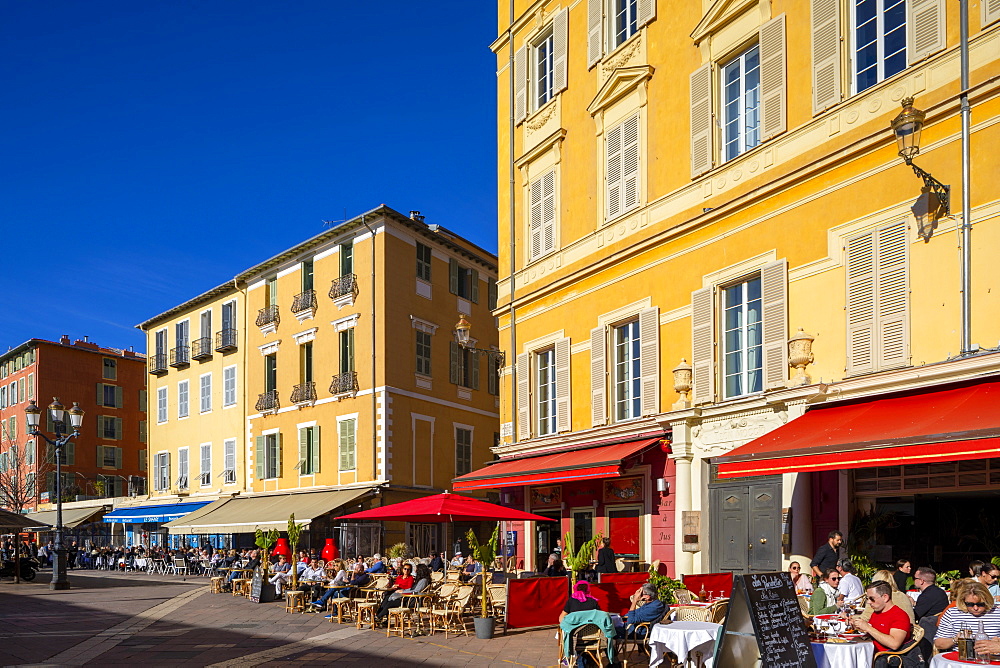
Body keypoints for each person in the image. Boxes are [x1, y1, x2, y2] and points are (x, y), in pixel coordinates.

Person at [934, 581, 1000, 652]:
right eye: (970, 604)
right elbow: (938, 643)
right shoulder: (953, 613)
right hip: (961, 658)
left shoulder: (997, 612)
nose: (975, 608)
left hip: (991, 658)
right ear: (963, 601)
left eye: (980, 604)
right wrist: (956, 639)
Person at [850, 581, 912, 653]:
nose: (868, 602)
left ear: (885, 597)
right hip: (867, 651)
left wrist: (868, 628)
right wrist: (858, 627)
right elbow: (873, 634)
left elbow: (894, 644)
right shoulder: (877, 612)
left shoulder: (899, 615)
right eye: (867, 598)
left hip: (884, 658)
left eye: (872, 599)